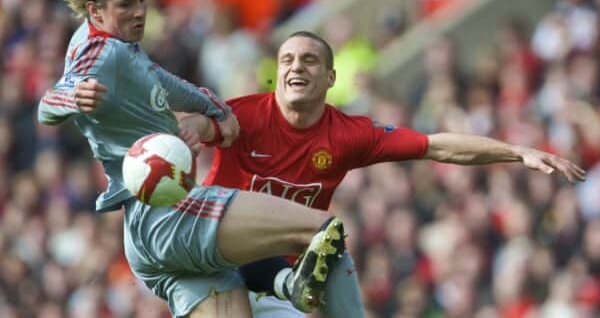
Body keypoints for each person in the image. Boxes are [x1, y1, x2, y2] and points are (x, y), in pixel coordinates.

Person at [176, 30, 587, 318]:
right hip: (217, 263)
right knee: (317, 234)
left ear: (330, 78)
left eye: (309, 59)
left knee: (330, 244)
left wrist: (516, 151)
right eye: (286, 59)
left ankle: (287, 283)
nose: (295, 67)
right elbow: (203, 125)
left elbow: (436, 145)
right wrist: (189, 132)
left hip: (280, 279)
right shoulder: (245, 114)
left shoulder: (348, 135)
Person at [37, 0, 350, 318]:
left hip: (151, 234)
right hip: (169, 215)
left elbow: (159, 81)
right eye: (125, 5)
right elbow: (49, 102)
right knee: (320, 229)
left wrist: (213, 110)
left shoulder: (119, 48)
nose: (139, 12)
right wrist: (72, 95)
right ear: (95, 11)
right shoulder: (101, 52)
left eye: (142, 0)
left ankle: (283, 284)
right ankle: (285, 284)